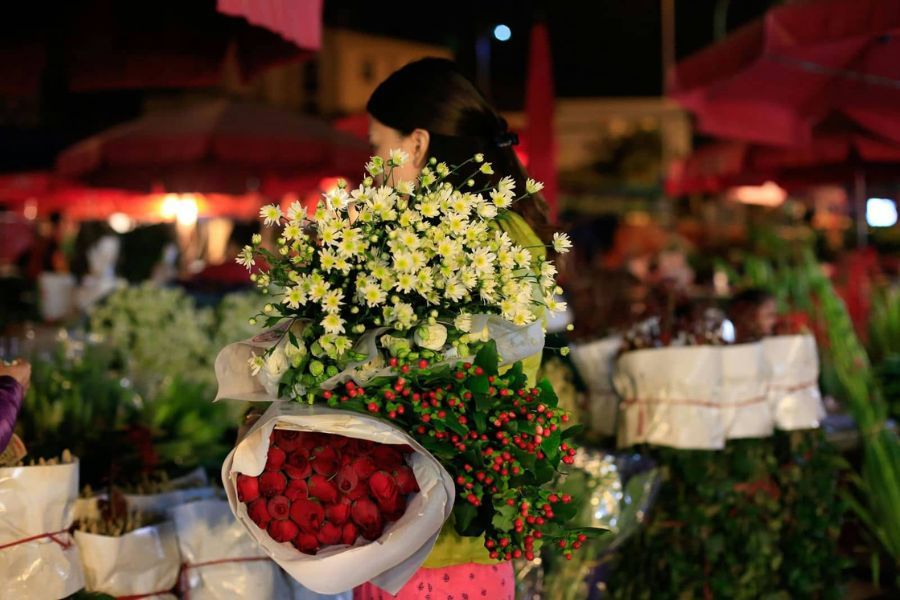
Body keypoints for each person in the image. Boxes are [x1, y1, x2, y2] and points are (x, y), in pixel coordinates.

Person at [355, 57, 549, 600]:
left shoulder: (456, 239)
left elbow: (426, 373)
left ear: (416, 145)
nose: (374, 166)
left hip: (433, 542)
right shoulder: (505, 225)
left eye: (377, 147)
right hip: (449, 529)